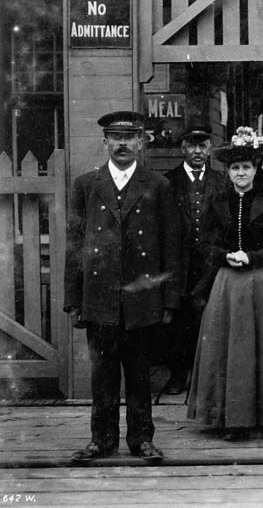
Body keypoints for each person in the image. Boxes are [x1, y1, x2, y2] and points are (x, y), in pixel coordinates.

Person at [64, 111, 180, 463]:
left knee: (140, 375)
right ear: (105, 142)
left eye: (130, 137)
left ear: (142, 142)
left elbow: (170, 245)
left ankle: (142, 440)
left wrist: (169, 300)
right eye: (115, 137)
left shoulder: (157, 185)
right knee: (102, 375)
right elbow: (74, 244)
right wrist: (73, 299)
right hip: (99, 297)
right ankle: (102, 441)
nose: (122, 143)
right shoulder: (86, 184)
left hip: (141, 299)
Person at [186, 126, 263, 441]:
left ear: (255, 169)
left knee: (260, 349)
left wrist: (253, 258)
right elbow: (204, 244)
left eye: (246, 167)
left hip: (259, 283)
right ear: (228, 171)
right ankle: (229, 418)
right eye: (235, 168)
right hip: (227, 283)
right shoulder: (218, 201)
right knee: (227, 348)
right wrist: (226, 255)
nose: (241, 173)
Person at [161, 124, 228, 395]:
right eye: (192, 145)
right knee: (177, 321)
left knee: (210, 318)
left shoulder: (222, 180)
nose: (198, 151)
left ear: (210, 148)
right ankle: (178, 375)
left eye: (203, 145)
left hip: (211, 261)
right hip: (179, 262)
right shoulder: (168, 181)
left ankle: (207, 380)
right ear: (183, 148)